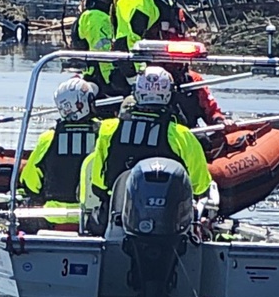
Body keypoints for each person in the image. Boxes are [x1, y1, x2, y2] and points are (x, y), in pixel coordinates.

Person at [83, 66, 211, 213]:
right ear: (169, 94)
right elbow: (200, 186)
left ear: (136, 92)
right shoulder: (182, 135)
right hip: (168, 221)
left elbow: (98, 184)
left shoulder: (108, 129)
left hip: (119, 217)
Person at [19, 77, 101, 227]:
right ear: (83, 104)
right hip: (92, 216)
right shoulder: (103, 134)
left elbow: (30, 183)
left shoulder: (48, 138)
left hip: (53, 216)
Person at [70, 0, 126, 104]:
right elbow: (103, 57)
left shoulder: (106, 13)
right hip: (102, 86)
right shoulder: (97, 18)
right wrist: (116, 84)